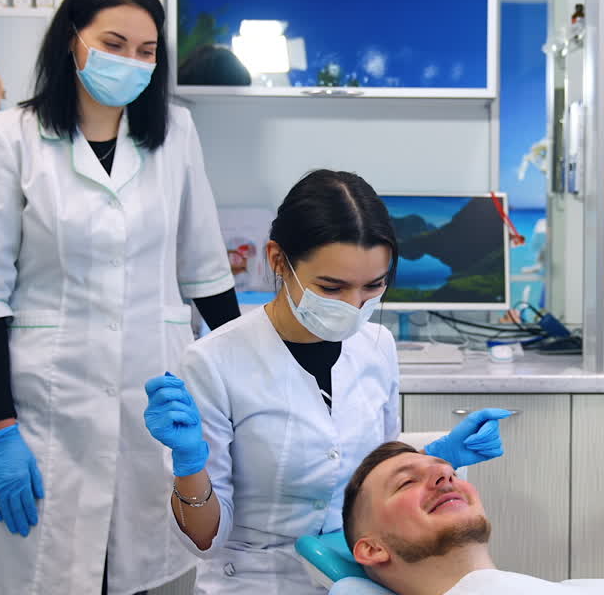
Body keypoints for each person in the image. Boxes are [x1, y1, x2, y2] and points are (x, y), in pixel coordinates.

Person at [0, 0, 242, 595]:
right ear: (72, 40)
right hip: (43, 413)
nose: (131, 62)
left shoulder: (175, 135)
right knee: (47, 575)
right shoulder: (7, 139)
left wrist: (250, 388)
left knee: (144, 571)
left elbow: (207, 274)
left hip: (152, 405)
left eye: (146, 50)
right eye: (113, 44)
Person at [142, 169, 513, 595]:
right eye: (332, 287)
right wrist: (190, 466)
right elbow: (205, 539)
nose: (354, 306)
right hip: (254, 582)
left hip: (359, 575)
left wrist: (433, 458)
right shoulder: (213, 362)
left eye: (373, 286)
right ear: (278, 260)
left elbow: (370, 483)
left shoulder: (377, 346)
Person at [342, 441, 604, 595]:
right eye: (406, 482)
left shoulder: (598, 588)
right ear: (372, 549)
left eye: (451, 472)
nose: (446, 475)